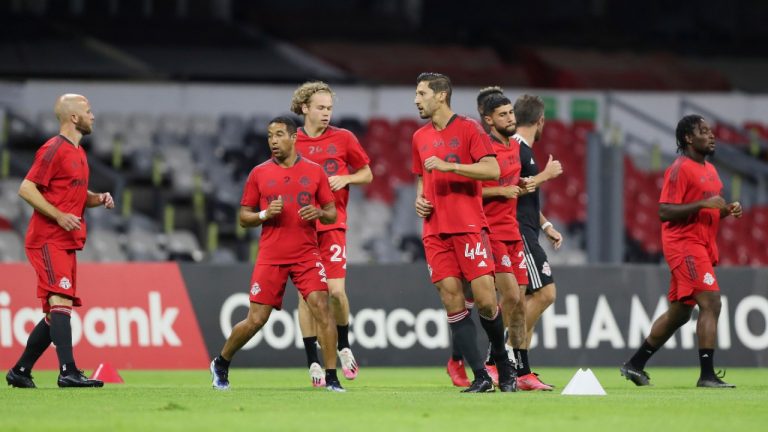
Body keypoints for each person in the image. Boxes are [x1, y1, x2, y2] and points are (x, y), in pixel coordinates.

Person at [210, 117, 345, 392]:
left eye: (279, 134)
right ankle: (221, 363)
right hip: (271, 256)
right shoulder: (259, 173)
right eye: (270, 135)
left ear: (294, 137)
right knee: (256, 320)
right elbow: (243, 217)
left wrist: (319, 212)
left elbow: (332, 213)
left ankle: (332, 378)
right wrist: (264, 214)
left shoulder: (315, 171)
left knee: (322, 308)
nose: (273, 140)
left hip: (307, 255)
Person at [412, 72, 515, 393]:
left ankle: (502, 364)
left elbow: (492, 170)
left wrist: (450, 166)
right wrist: (420, 198)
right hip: (435, 231)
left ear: (440, 96)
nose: (416, 100)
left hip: (469, 227)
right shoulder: (419, 136)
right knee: (452, 302)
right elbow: (421, 175)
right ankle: (480, 377)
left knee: (485, 301)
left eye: (421, 93)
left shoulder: (469, 128)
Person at [621, 115, 741, 388]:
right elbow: (664, 211)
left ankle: (634, 364)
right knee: (711, 303)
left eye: (711, 131)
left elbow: (708, 210)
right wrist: (702, 204)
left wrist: (727, 210)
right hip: (685, 246)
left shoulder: (710, 170)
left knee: (680, 313)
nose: (711, 136)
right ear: (688, 138)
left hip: (702, 245)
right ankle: (707, 375)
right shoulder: (679, 169)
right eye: (703, 131)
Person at [6, 94, 112, 388]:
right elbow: (26, 188)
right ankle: (68, 371)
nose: (93, 116)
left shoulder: (78, 152)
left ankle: (20, 371)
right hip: (47, 238)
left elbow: (74, 195)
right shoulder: (53, 148)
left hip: (65, 241)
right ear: (74, 118)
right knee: (61, 300)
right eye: (88, 111)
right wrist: (59, 216)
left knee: (55, 314)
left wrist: (97, 198)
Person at [290, 81, 372, 387]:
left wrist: (346, 177)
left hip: (333, 226)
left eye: (329, 108)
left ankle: (344, 344)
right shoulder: (291, 140)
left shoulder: (344, 138)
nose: (326, 114)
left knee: (336, 292)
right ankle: (312, 361)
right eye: (321, 108)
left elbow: (367, 173)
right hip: (300, 229)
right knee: (308, 296)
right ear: (304, 108)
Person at [513, 94, 563, 389]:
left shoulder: (525, 151)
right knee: (545, 294)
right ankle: (506, 354)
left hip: (530, 228)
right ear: (540, 120)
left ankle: (523, 373)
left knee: (527, 300)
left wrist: (545, 224)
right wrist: (545, 175)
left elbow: (527, 193)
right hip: (518, 231)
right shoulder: (518, 150)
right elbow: (512, 189)